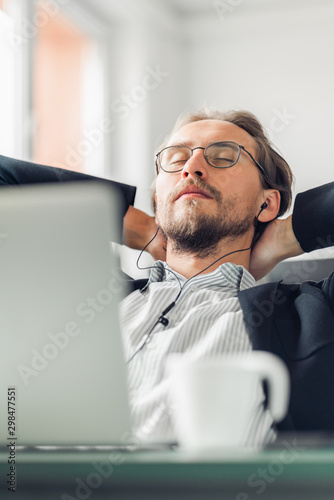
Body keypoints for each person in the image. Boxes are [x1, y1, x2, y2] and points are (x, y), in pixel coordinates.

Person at [1, 109, 334, 446]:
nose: (191, 168)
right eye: (175, 159)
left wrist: (289, 235)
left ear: (267, 204)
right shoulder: (84, 293)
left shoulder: (316, 312)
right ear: (158, 200)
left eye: (223, 156)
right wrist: (124, 219)